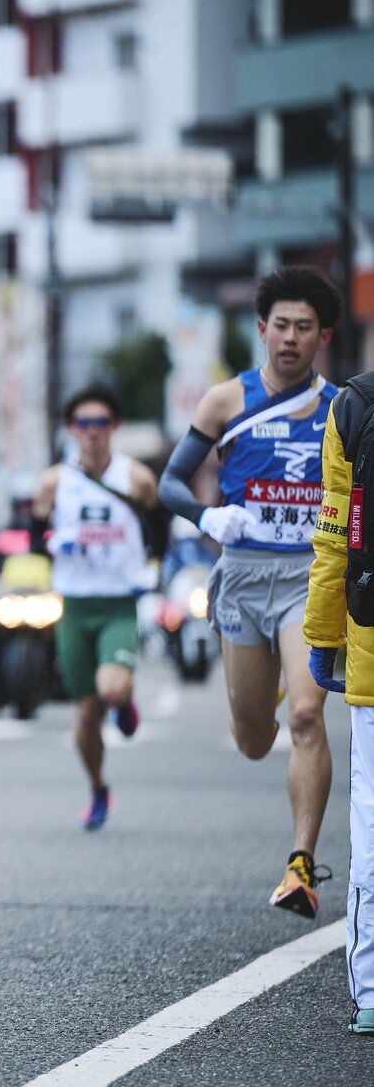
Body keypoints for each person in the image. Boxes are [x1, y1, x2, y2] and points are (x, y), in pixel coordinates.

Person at [159, 265, 340, 917]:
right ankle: (268, 693)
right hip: (241, 577)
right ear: (262, 329)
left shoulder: (340, 409)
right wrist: (206, 517)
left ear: (324, 336)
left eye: (305, 328)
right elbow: (171, 483)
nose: (290, 338)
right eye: (281, 326)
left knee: (306, 715)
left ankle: (299, 864)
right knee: (254, 738)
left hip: (308, 580)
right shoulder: (224, 401)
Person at [32, 384, 159, 831]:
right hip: (75, 606)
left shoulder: (137, 478)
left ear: (114, 427)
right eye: (83, 424)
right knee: (85, 713)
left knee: (109, 691)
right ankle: (99, 787)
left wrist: (153, 567)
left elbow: (157, 524)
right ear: (71, 429)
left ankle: (124, 701)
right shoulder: (53, 482)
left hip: (118, 603)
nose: (92, 433)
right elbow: (34, 537)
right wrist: (51, 544)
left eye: (100, 423)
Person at [303, 367, 374, 1034]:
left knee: (371, 813)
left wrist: (323, 634)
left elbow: (335, 529)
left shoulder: (353, 405)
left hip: (370, 629)